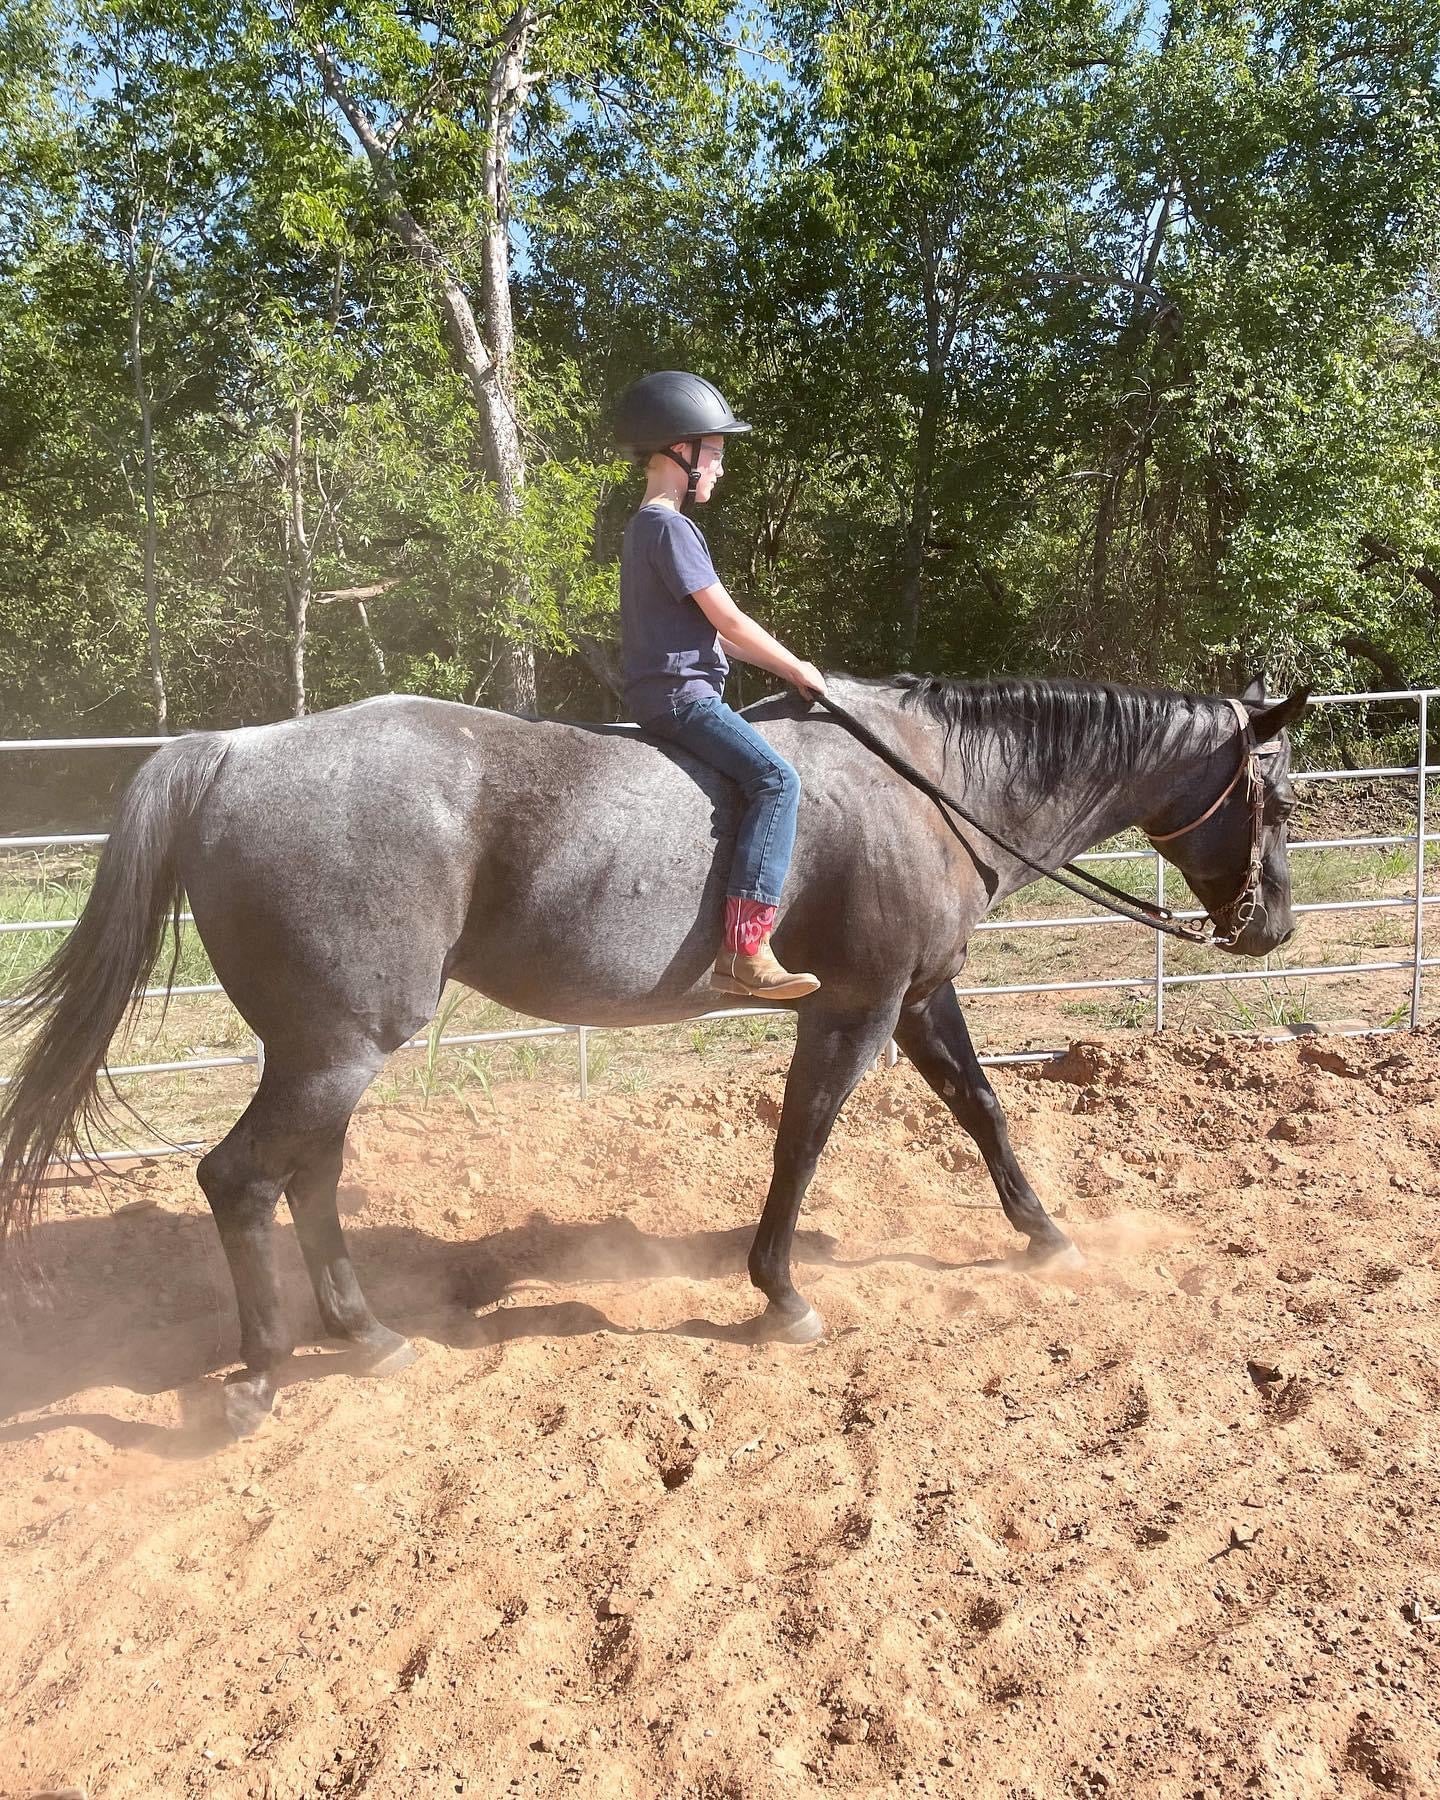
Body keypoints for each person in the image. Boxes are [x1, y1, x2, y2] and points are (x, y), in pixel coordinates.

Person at [613, 370, 826, 1001]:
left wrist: (774, 665)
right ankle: (747, 948)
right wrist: (798, 669)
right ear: (680, 450)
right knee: (777, 779)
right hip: (684, 698)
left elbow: (712, 635)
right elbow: (729, 618)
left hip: (664, 690)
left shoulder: (643, 526)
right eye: (716, 453)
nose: (720, 469)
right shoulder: (671, 528)